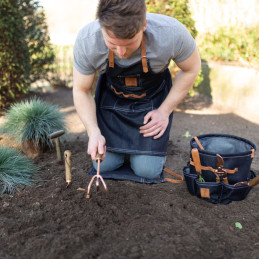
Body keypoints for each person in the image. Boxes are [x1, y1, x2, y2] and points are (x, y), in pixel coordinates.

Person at [73, 0, 201, 180]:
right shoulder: (88, 40)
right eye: (112, 43)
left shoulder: (171, 33)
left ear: (144, 25)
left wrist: (164, 111)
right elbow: (81, 90)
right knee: (105, 165)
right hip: (112, 101)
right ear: (101, 26)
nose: (121, 52)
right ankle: (121, 149)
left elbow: (192, 68)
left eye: (129, 43)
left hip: (151, 102)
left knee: (147, 171)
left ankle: (142, 154)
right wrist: (93, 132)